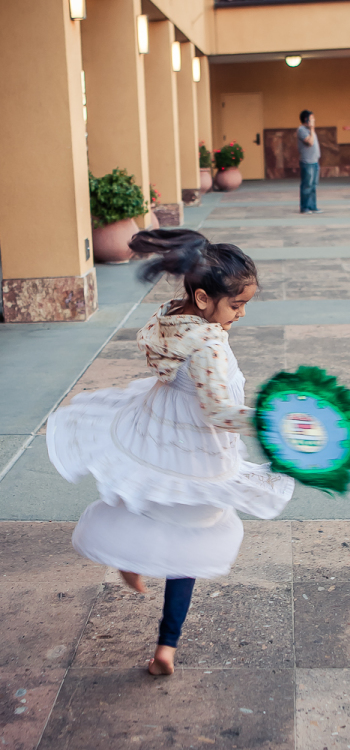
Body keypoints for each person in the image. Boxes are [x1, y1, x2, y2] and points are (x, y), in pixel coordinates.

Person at [46, 229, 294, 676]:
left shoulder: (169, 315)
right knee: (194, 537)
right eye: (236, 305)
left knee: (141, 497)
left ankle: (128, 562)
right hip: (197, 449)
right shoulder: (211, 344)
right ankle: (166, 646)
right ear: (203, 297)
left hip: (158, 429)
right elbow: (220, 411)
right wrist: (270, 422)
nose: (240, 315)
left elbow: (159, 354)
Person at [297, 109, 322, 214]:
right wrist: (312, 128)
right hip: (307, 162)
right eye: (311, 118)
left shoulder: (310, 130)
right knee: (307, 185)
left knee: (313, 185)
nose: (314, 120)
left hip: (314, 161)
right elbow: (310, 142)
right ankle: (304, 207)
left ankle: (312, 206)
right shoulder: (301, 130)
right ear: (306, 119)